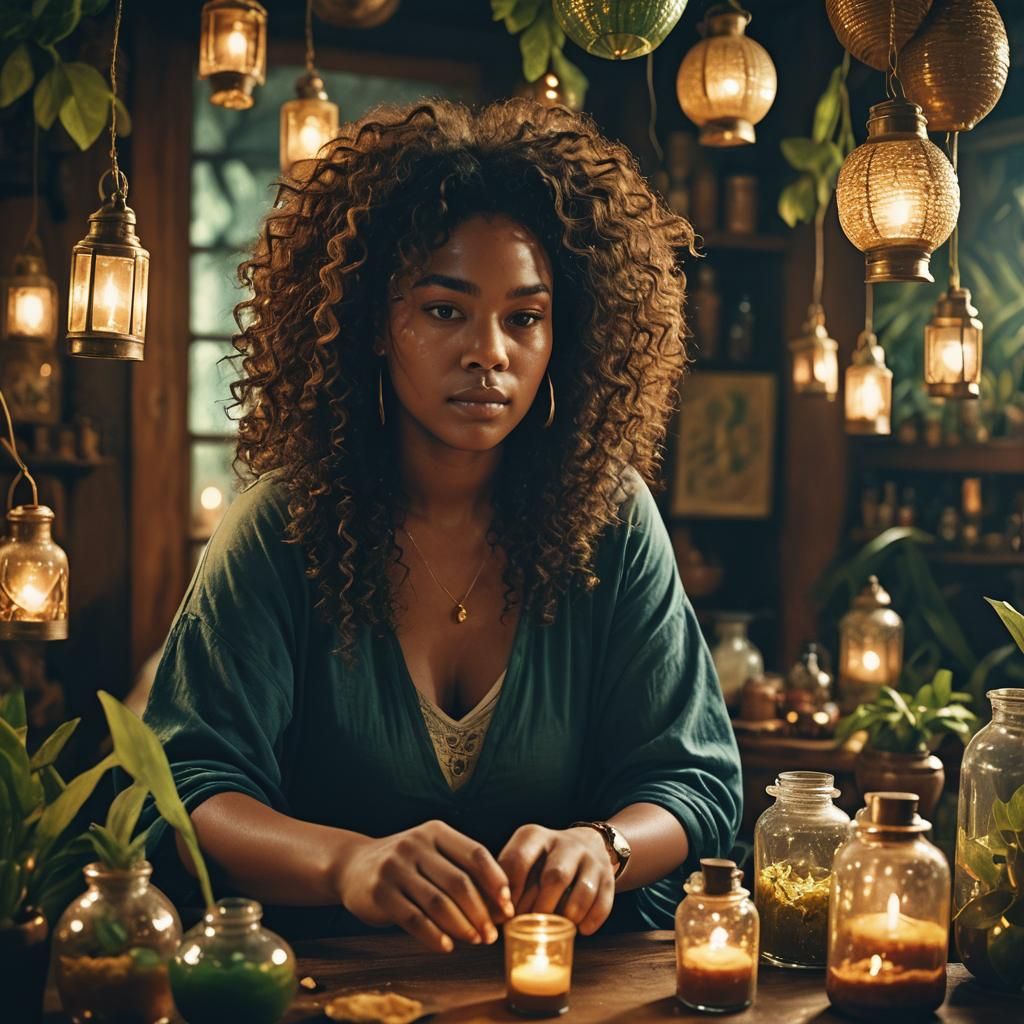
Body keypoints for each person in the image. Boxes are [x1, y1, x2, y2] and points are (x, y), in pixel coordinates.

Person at [143, 98, 741, 949]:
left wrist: (602, 848)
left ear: (562, 336)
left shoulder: (611, 519)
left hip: (565, 993)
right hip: (325, 991)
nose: (489, 351)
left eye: (524, 318)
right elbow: (185, 792)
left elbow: (694, 782)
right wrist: (347, 864)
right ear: (371, 323)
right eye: (443, 309)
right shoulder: (279, 527)